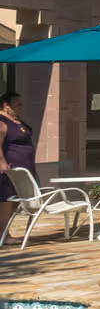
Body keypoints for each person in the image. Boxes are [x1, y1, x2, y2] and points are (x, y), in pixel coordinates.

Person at [1, 91, 36, 235]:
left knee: (17, 201)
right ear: (6, 104)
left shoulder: (16, 119)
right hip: (9, 169)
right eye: (17, 101)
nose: (20, 104)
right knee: (6, 201)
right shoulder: (2, 121)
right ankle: (3, 235)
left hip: (25, 169)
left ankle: (5, 234)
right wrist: (2, 163)